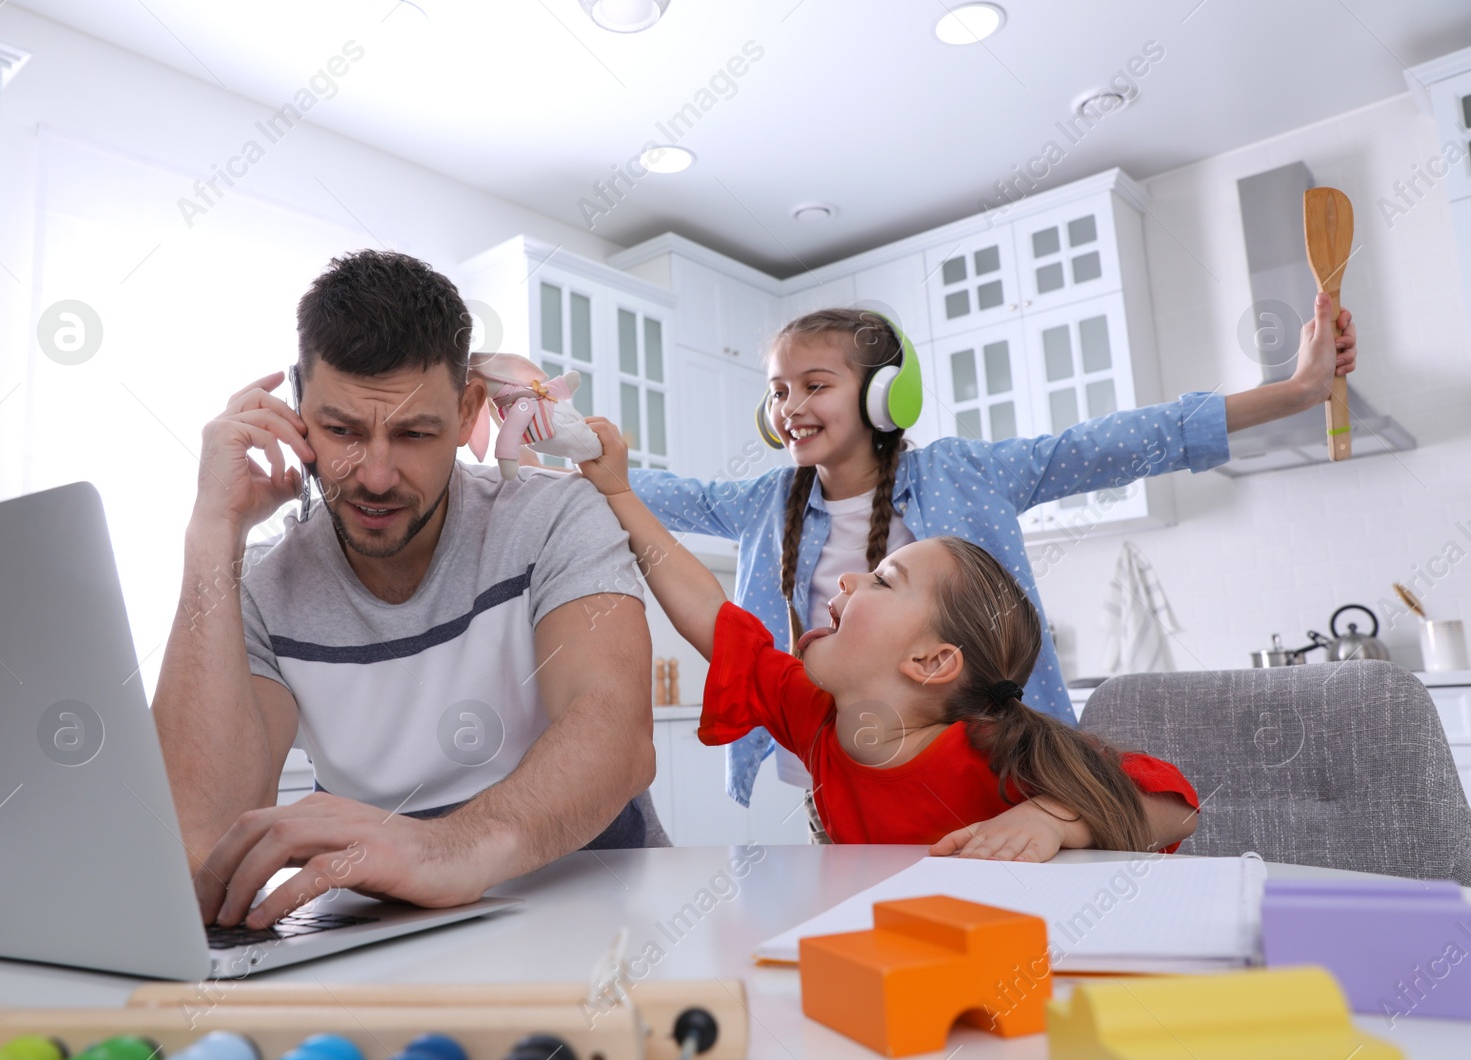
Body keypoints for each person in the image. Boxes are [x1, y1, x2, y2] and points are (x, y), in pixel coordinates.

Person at [614, 297, 1356, 831]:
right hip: (830, 765)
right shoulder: (767, 502)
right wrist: (557, 456)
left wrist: (1293, 392)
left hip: (981, 761)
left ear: (882, 396)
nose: (789, 406)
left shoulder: (965, 473)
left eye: (814, 384)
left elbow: (1114, 441)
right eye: (777, 391)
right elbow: (668, 509)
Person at [151, 250, 663, 932]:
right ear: (297, 411)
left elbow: (616, 735)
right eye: (342, 431)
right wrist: (212, 535)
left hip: (599, 912)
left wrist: (447, 847)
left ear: (468, 410)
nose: (378, 474)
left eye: (415, 433)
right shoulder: (265, 590)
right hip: (383, 936)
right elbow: (197, 858)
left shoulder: (554, 517)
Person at [577, 416, 1197, 856]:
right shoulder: (815, 716)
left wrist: (1056, 819)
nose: (847, 578)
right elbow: (713, 615)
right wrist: (617, 492)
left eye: (883, 579)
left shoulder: (996, 754)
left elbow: (1177, 801)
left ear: (930, 661)